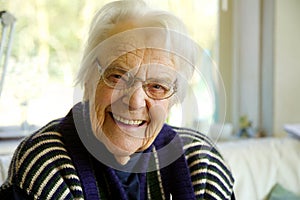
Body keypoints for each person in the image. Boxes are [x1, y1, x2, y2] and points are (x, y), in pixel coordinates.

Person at [0, 0, 235, 199]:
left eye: (156, 86)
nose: (134, 102)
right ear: (88, 80)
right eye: (118, 75)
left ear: (172, 101)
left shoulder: (201, 163)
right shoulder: (47, 162)